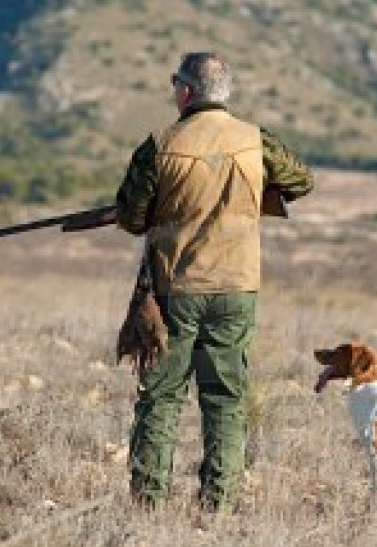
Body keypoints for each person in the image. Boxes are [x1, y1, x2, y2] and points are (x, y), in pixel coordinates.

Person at [115, 52, 314, 512]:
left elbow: (130, 218)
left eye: (175, 85)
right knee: (225, 398)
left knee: (161, 397)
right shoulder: (257, 141)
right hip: (237, 287)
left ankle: (148, 505)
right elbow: (300, 181)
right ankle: (219, 506)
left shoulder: (159, 145)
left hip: (175, 289)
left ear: (185, 91)